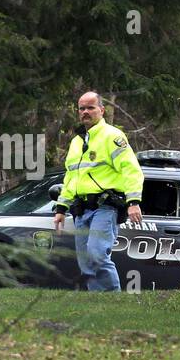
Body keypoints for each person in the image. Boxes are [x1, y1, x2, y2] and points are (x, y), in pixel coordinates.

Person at [52, 91, 144, 291]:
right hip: (81, 209)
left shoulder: (112, 136)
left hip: (105, 207)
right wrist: (61, 207)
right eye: (82, 108)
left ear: (102, 110)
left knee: (97, 254)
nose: (85, 112)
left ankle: (112, 298)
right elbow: (71, 177)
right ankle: (98, 300)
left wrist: (133, 202)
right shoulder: (77, 141)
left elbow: (131, 170)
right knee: (86, 261)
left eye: (90, 107)